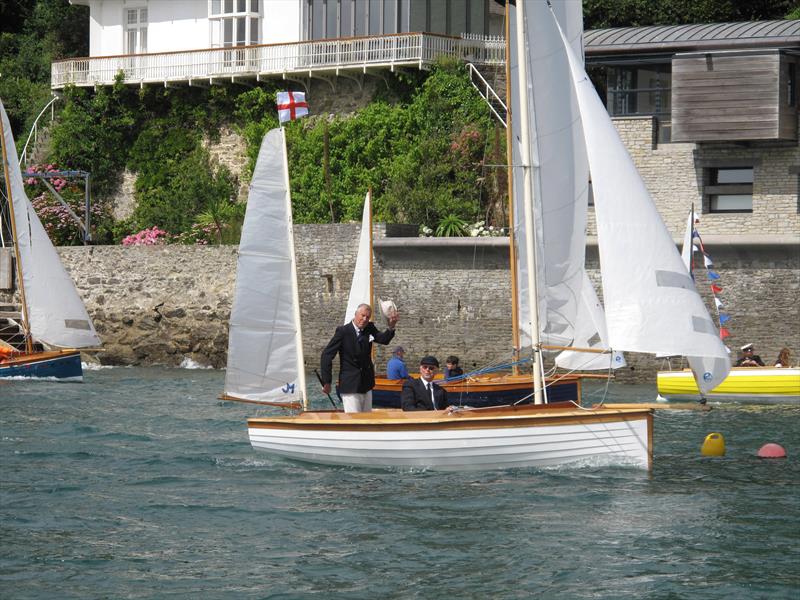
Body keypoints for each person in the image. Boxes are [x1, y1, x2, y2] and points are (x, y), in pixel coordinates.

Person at [320, 303, 398, 413]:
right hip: (350, 385)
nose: (365, 319)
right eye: (362, 315)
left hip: (367, 384)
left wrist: (391, 327)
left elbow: (383, 339)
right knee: (354, 422)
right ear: (356, 314)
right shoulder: (343, 332)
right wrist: (327, 381)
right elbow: (326, 355)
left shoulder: (369, 327)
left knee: (367, 421)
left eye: (367, 317)